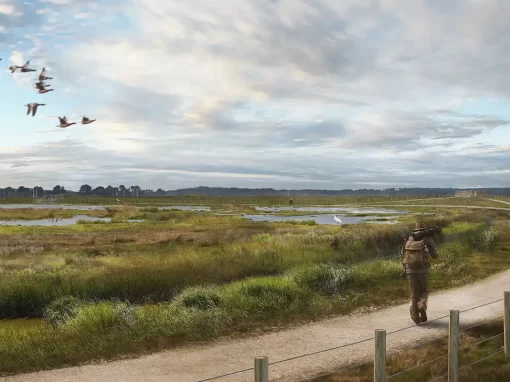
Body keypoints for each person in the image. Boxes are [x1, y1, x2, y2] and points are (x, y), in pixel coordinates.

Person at [400, 222, 439, 325]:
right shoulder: (428, 239)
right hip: (423, 270)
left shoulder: (409, 238)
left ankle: (415, 316)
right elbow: (435, 255)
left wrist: (405, 269)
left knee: (414, 293)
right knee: (424, 291)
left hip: (410, 270)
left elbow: (403, 255)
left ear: (415, 230)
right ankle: (421, 305)